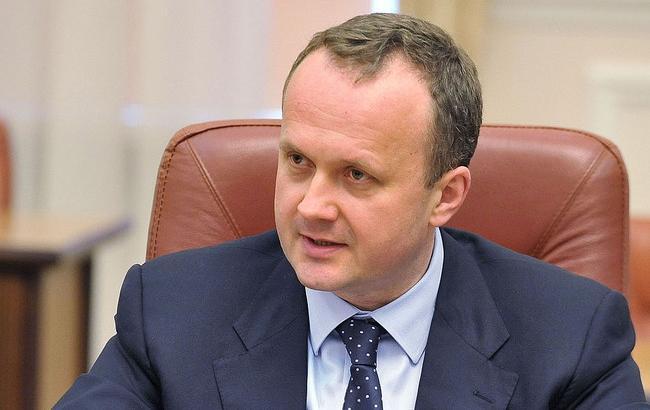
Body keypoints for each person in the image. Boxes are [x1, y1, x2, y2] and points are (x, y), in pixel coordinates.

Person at [56, 13, 647, 409]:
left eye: (356, 175)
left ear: (446, 195)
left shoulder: (571, 338)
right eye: (297, 161)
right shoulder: (171, 312)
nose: (311, 206)